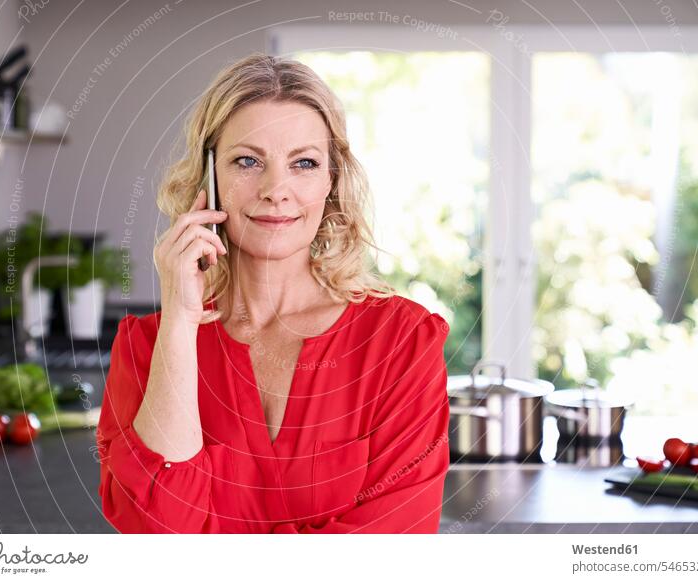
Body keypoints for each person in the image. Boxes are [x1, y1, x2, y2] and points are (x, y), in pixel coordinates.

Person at [96, 52, 451, 533]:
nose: (276, 189)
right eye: (247, 161)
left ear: (331, 180)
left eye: (304, 163)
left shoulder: (401, 341)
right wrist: (179, 322)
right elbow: (156, 529)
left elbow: (392, 543)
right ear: (209, 177)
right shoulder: (146, 346)